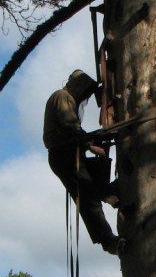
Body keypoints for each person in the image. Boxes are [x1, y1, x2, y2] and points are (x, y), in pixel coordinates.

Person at [44, 70, 119, 253]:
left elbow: (74, 131)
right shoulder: (62, 96)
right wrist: (90, 145)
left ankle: (110, 194)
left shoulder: (65, 98)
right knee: (88, 199)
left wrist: (92, 141)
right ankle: (108, 241)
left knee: (95, 184)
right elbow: (70, 126)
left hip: (70, 153)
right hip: (65, 155)